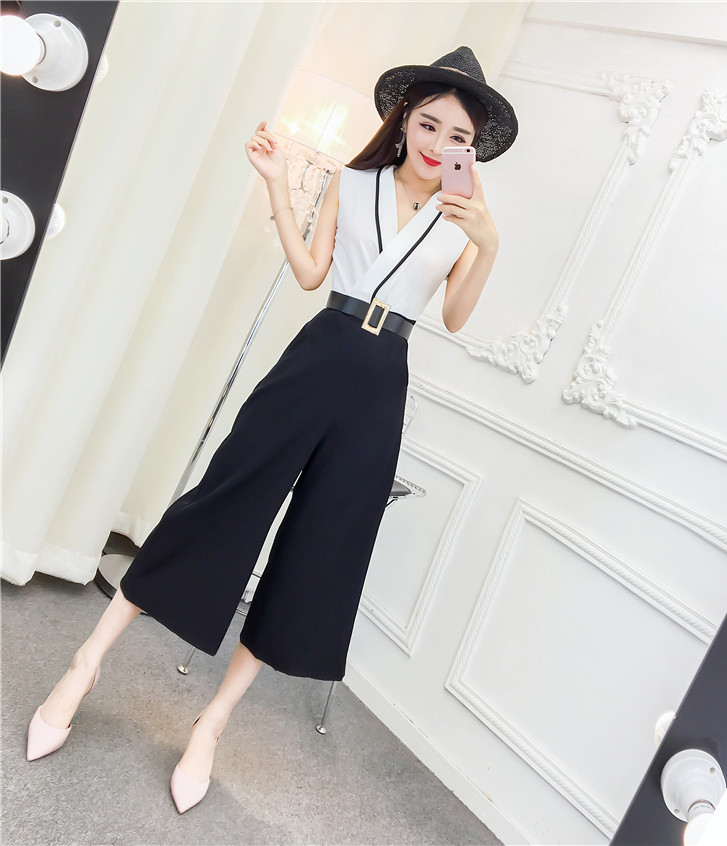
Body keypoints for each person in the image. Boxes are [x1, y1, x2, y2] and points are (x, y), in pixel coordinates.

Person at [25, 46, 518, 814]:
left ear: (472, 148)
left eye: (458, 136)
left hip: (382, 384)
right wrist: (279, 186)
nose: (439, 144)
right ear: (403, 121)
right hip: (319, 355)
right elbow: (313, 273)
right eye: (428, 124)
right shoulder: (356, 183)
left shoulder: (465, 222)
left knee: (318, 551)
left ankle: (214, 721)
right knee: (220, 503)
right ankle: (86, 662)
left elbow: (454, 316)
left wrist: (488, 243)